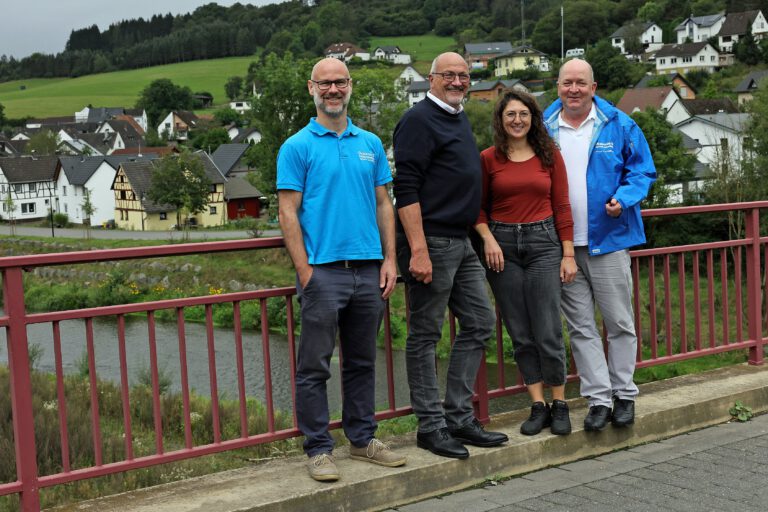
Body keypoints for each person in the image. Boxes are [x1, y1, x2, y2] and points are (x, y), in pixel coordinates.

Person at [277, 57, 406, 481]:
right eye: (325, 84)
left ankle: (362, 439)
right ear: (311, 88)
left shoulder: (369, 141)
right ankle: (318, 449)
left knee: (363, 361)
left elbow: (384, 203)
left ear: (350, 86)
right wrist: (306, 271)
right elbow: (288, 212)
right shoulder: (296, 146)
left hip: (368, 271)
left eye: (340, 83)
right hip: (323, 272)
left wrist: (390, 260)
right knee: (314, 366)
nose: (333, 90)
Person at [393, 52, 508, 460]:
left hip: (460, 240)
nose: (458, 81)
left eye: (464, 75)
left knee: (479, 321)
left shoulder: (457, 117)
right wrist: (418, 250)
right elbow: (405, 189)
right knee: (425, 335)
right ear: (431, 79)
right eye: (449, 75)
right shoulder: (417, 120)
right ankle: (431, 426)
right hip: (432, 243)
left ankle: (459, 416)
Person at [542, 59, 656, 432]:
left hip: (609, 240)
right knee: (580, 328)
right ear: (557, 86)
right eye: (566, 83)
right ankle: (598, 399)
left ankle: (624, 393)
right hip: (564, 248)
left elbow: (642, 171)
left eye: (580, 83)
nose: (573, 89)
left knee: (619, 322)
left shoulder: (619, 124)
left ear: (594, 86)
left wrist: (624, 198)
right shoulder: (544, 128)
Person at [474, 90, 577, 437]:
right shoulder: (489, 158)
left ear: (533, 118)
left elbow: (562, 206)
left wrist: (568, 253)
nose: (517, 120)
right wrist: (487, 238)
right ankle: (537, 404)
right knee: (519, 331)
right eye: (510, 115)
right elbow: (478, 207)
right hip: (501, 248)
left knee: (548, 327)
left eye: (523, 114)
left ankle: (560, 402)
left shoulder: (549, 156)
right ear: (501, 120)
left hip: (544, 244)